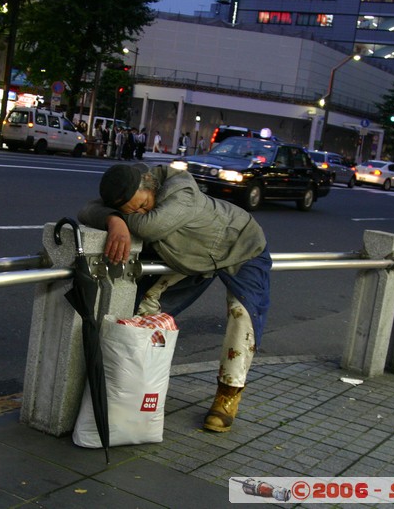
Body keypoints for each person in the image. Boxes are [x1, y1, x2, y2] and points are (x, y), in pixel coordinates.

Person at [78, 163, 271, 433]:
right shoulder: (134, 189)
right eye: (129, 210)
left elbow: (149, 228)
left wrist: (114, 216)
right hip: (192, 259)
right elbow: (85, 210)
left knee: (242, 316)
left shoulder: (182, 193)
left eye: (143, 205)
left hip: (242, 245)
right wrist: (114, 220)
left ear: (151, 187)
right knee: (146, 309)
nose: (139, 212)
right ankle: (133, 386)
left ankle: (228, 395)